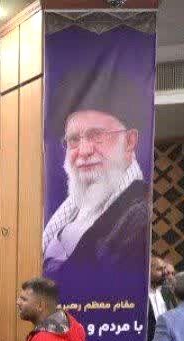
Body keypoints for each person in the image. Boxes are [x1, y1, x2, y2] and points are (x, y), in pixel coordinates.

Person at [42, 78, 150, 279]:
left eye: (96, 135)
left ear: (129, 141)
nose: (84, 151)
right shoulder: (72, 207)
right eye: (74, 139)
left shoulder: (139, 215)